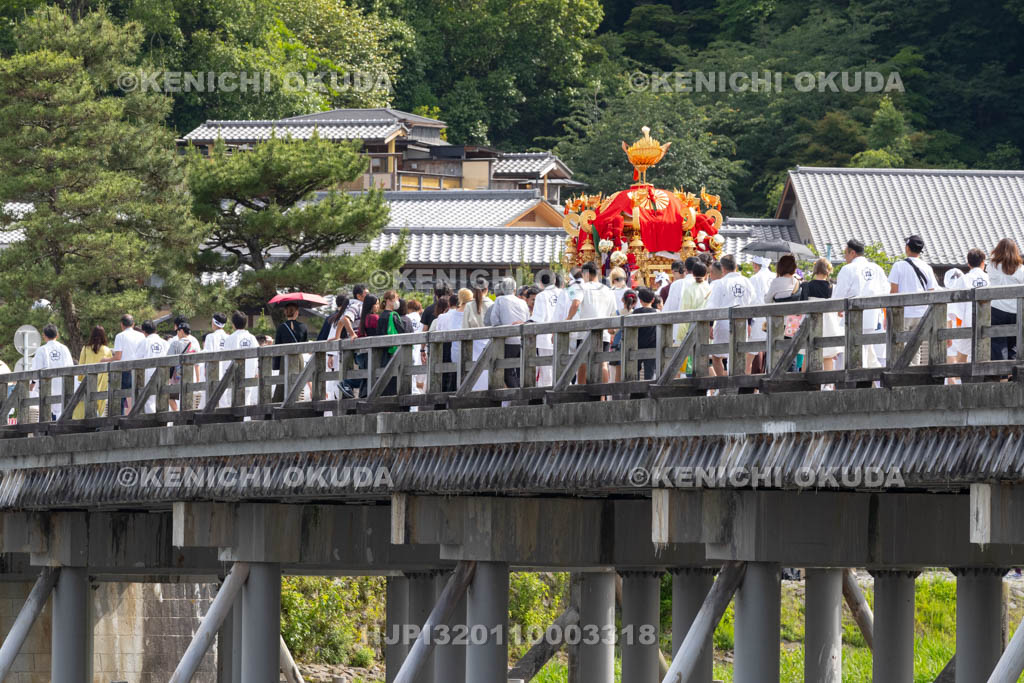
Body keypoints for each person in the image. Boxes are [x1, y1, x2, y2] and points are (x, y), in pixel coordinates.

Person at [833, 239, 889, 368]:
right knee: (865, 348)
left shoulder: (848, 269)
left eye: (845, 253)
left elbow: (839, 295)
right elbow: (886, 290)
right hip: (872, 316)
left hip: (851, 314)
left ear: (852, 253)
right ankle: (867, 380)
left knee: (849, 350)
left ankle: (851, 381)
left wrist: (837, 310)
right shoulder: (877, 268)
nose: (844, 256)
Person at [888, 235, 938, 365]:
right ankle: (914, 373)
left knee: (899, 345)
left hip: (902, 312)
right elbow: (931, 292)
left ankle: (900, 374)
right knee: (916, 347)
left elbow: (893, 292)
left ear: (907, 248)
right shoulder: (927, 268)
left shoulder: (898, 266)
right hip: (921, 313)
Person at [704, 255, 755, 377]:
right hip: (742, 323)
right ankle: (736, 384)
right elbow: (752, 304)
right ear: (736, 266)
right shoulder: (747, 282)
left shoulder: (721, 283)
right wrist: (749, 323)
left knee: (717, 356)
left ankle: (723, 384)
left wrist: (710, 325)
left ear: (722, 268)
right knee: (738, 355)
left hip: (723, 324)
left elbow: (712, 307)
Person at [567, 261, 618, 385]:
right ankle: (603, 396)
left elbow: (576, 303)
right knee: (603, 364)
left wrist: (567, 320)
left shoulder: (582, 287)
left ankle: (582, 393)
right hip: (603, 332)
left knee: (582, 364)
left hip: (584, 332)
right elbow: (614, 313)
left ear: (586, 274)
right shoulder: (608, 290)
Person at [801, 259, 842, 379]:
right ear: (828, 271)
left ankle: (803, 382)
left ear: (815, 270)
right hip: (828, 322)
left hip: (810, 320)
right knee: (828, 356)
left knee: (806, 354)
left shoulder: (806, 286)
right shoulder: (832, 287)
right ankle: (828, 384)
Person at [490, 277, 531, 388]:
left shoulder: (500, 300)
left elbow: (494, 320)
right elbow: (528, 319)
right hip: (522, 339)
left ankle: (516, 395)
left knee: (506, 372)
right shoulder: (522, 302)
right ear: (514, 288)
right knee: (520, 370)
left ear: (502, 289)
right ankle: (522, 395)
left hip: (508, 341)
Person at [989, 238, 1024, 361]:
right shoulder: (1020, 269)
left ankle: (1002, 375)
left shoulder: (992, 266)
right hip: (1015, 310)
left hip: (997, 309)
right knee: (1014, 342)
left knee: (997, 341)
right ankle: (1012, 374)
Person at [30, 324, 73, 420]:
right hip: (63, 385)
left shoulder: (41, 350)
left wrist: (32, 385)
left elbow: (35, 370)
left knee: (46, 410)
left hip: (47, 386)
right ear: (57, 335)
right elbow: (71, 368)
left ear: (44, 336)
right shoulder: (64, 349)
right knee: (61, 411)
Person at [532, 272, 567, 387]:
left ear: (541, 283)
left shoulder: (541, 296)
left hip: (545, 337)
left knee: (546, 371)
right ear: (554, 281)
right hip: (563, 335)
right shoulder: (564, 293)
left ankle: (546, 397)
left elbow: (538, 318)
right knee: (564, 367)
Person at [71, 325, 112, 419]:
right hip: (102, 381)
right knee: (99, 402)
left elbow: (81, 365)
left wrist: (80, 378)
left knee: (84, 402)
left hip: (88, 380)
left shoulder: (86, 348)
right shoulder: (107, 350)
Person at [431, 291, 469, 392]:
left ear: (449, 304)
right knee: (456, 373)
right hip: (458, 345)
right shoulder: (462, 315)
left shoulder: (442, 317)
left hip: (443, 346)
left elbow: (437, 332)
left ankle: (440, 400)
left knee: (444, 374)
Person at [223, 311, 259, 407]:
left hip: (233, 377)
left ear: (233, 324)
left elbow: (226, 360)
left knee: (232, 402)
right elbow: (257, 357)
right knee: (246, 401)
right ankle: (246, 421)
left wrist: (225, 375)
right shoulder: (252, 338)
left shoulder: (230, 339)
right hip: (249, 375)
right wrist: (256, 371)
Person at [112, 314, 145, 414]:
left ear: (122, 325)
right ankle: (138, 418)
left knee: (121, 396)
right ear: (133, 324)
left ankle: (119, 419)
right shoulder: (141, 335)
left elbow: (118, 357)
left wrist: (105, 359)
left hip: (125, 370)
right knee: (138, 395)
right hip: (139, 369)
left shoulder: (120, 336)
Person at [463, 284, 493, 391]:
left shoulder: (469, 305)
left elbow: (465, 328)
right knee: (488, 369)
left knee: (474, 370)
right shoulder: (491, 304)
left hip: (474, 343)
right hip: (489, 342)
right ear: (487, 289)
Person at [747, 256, 774, 373]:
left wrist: (748, 321)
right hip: (773, 319)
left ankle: (744, 385)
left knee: (750, 356)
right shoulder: (775, 276)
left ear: (755, 265)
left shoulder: (754, 278)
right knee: (772, 354)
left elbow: (750, 301)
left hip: (758, 319)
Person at [166, 320, 200, 411]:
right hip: (190, 375)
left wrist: (168, 377)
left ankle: (176, 412)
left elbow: (169, 361)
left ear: (181, 331)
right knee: (187, 397)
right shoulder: (195, 345)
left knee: (170, 396)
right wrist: (198, 378)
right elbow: (197, 364)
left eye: (178, 331)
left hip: (177, 375)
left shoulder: (175, 344)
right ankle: (186, 415)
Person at [200, 312, 229, 409]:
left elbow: (207, 356)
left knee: (207, 401)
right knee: (225, 402)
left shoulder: (210, 337)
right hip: (227, 373)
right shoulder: (229, 337)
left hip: (213, 373)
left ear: (213, 322)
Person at [139, 320, 168, 413]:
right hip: (164, 373)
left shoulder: (145, 342)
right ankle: (166, 422)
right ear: (155, 330)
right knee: (163, 397)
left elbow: (136, 358)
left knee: (149, 399)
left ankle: (153, 423)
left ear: (143, 331)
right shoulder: (165, 342)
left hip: (149, 373)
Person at [632, 288, 658, 380]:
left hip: (637, 344)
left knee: (635, 370)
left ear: (640, 300)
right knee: (650, 372)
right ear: (653, 300)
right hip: (652, 345)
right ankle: (648, 392)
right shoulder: (657, 313)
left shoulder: (635, 313)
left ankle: (636, 392)